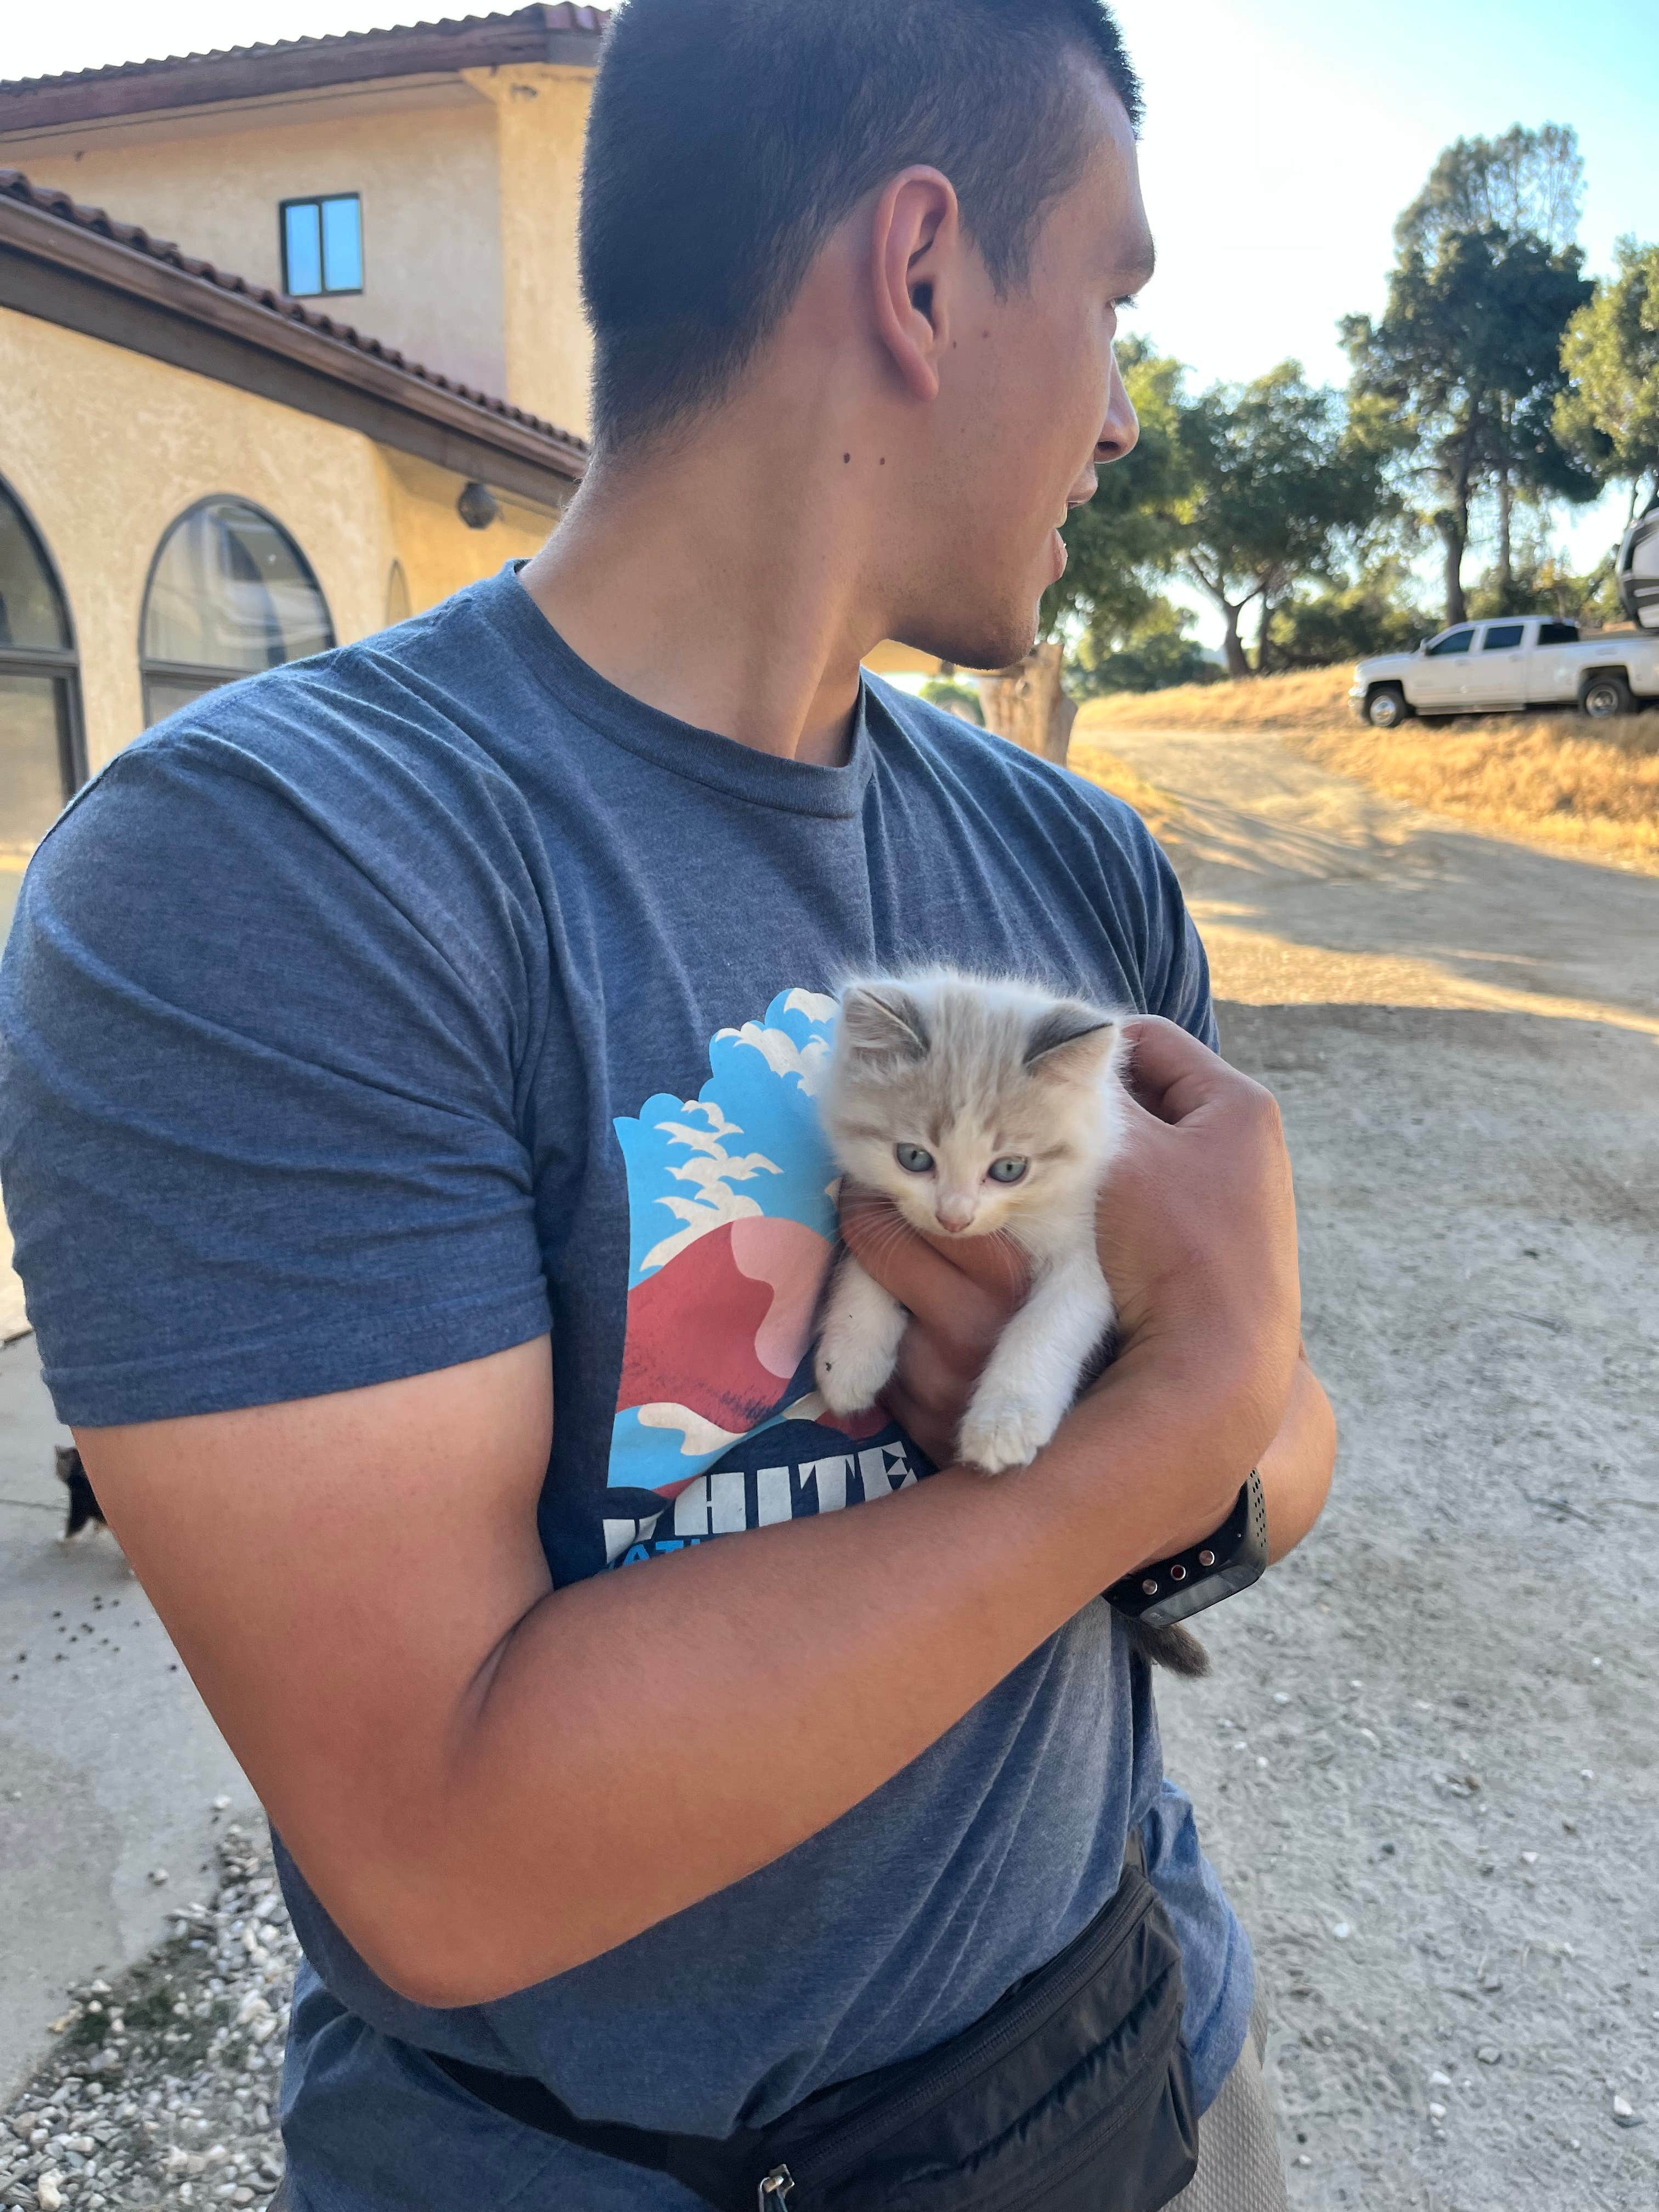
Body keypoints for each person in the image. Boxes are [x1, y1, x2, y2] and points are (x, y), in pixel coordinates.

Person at [0, 2, 1336, 2204]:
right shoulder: (270, 875)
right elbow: (445, 1848)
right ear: (921, 277)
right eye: (1109, 302)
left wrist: (1202, 1428)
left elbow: (1296, 1444)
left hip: (1136, 2075)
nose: (1118, 415)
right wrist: (1155, 1443)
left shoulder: (1074, 865)